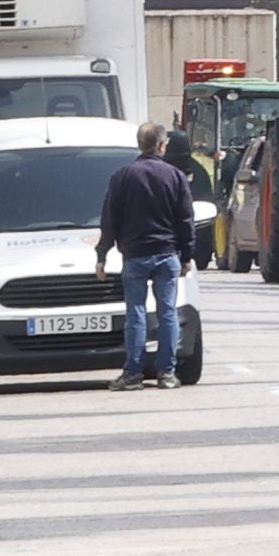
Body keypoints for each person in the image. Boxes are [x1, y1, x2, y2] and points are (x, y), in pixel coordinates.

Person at [96, 132, 199, 388]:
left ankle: (132, 374)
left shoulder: (123, 176)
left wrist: (102, 254)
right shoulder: (174, 176)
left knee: (136, 314)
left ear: (140, 144)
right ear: (162, 145)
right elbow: (185, 219)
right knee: (167, 313)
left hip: (135, 255)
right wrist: (186, 255)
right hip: (167, 254)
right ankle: (166, 374)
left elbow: (110, 218)